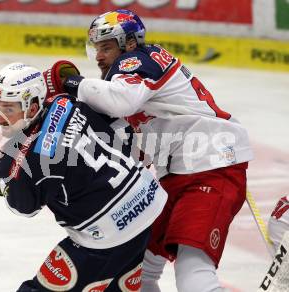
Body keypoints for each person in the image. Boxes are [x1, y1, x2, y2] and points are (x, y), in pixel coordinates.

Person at [45, 9, 254, 292]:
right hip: (180, 174)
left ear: (130, 43)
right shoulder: (129, 77)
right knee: (135, 272)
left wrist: (73, 84)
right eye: (96, 49)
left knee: (193, 273)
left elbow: (121, 103)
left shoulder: (137, 60)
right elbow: (116, 130)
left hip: (211, 168)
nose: (98, 56)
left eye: (106, 47)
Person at [0, 62, 168, 291]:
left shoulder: (27, 156)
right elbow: (117, 123)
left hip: (108, 232)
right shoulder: (66, 101)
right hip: (148, 203)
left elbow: (24, 205)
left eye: (8, 109)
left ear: (33, 106)